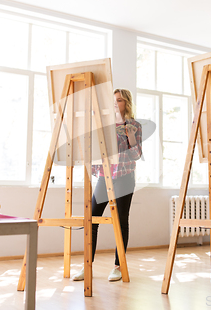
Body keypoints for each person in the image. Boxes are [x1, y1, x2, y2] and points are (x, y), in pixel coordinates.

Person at [73, 88, 142, 282]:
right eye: (113, 101)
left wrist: (130, 136)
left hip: (125, 176)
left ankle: (118, 267)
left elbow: (136, 155)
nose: (115, 104)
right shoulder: (103, 125)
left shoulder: (134, 124)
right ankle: (87, 266)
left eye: (119, 101)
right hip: (105, 176)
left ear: (126, 103)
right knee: (93, 218)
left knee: (120, 222)